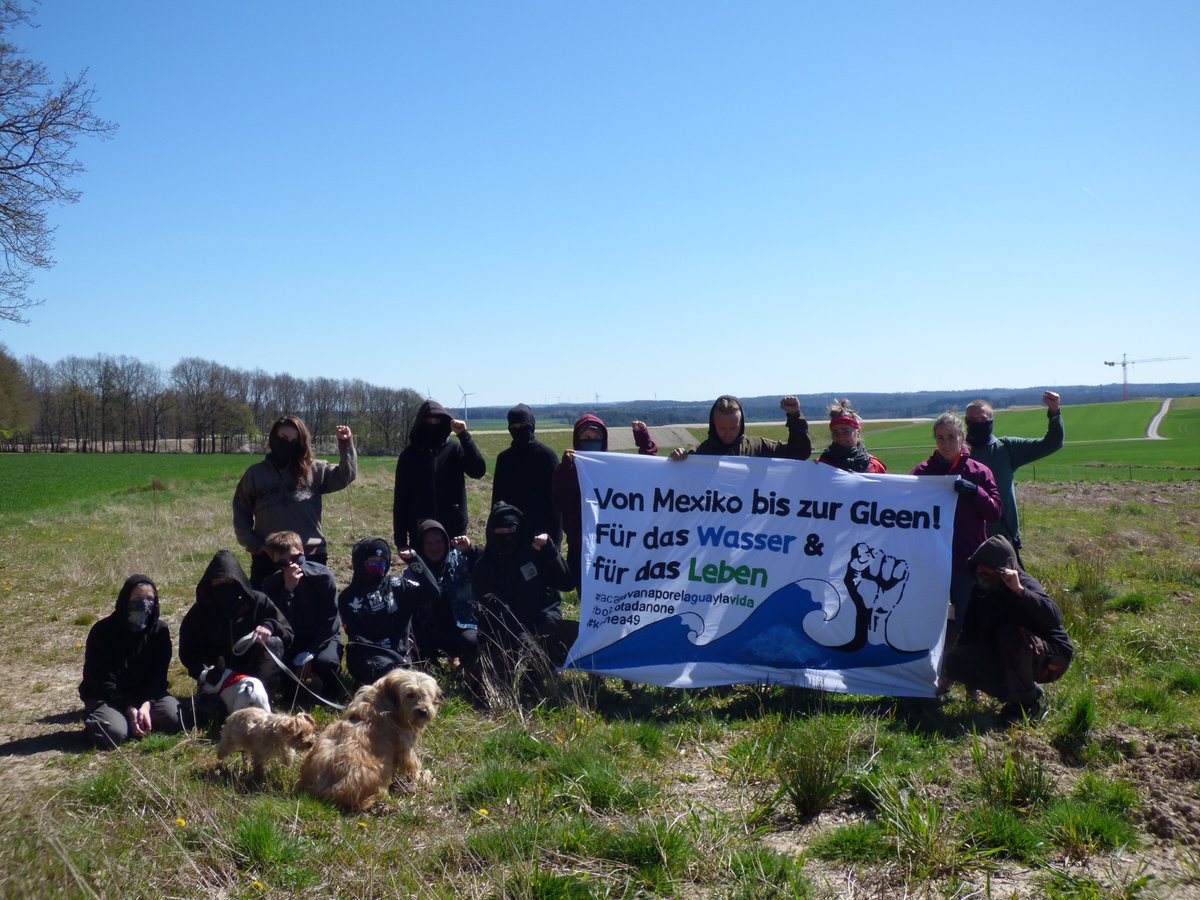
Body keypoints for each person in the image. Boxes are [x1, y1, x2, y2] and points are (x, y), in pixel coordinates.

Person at [941, 535, 1074, 722]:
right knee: (956, 658)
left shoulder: (1024, 585)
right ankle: (1024, 694)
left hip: (1051, 660)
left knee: (1010, 634)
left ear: (1002, 569)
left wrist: (1019, 591)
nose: (980, 571)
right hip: (1009, 656)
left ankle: (1026, 706)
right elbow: (968, 634)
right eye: (978, 567)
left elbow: (1054, 618)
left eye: (986, 568)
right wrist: (949, 675)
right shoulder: (980, 591)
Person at [233, 415, 357, 588]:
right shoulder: (255, 474)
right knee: (267, 604)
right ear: (273, 438)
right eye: (283, 438)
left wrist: (345, 444)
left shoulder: (315, 470)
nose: (287, 444)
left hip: (310, 555)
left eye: (294, 441)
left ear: (301, 443)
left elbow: (346, 476)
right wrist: (255, 545)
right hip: (269, 558)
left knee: (311, 605)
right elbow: (241, 511)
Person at [909, 413, 1002, 634]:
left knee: (966, 620)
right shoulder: (921, 473)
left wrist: (976, 492)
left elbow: (994, 513)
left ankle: (963, 655)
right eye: (940, 438)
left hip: (966, 559)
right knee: (929, 619)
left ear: (962, 437)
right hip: (931, 560)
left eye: (951, 437)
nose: (946, 443)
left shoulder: (979, 472)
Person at [552, 415, 659, 591]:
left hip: (615, 546)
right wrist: (565, 469)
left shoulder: (612, 468)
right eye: (586, 438)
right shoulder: (569, 468)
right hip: (582, 548)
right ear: (577, 439)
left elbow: (646, 470)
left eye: (596, 438)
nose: (591, 442)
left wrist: (643, 438)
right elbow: (561, 501)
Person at [178, 550, 294, 706]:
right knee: (211, 711)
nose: (223, 587)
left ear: (239, 582)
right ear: (209, 584)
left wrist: (269, 626)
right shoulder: (199, 612)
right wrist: (204, 670)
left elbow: (287, 632)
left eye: (228, 581)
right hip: (218, 678)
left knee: (273, 643)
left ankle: (265, 694)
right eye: (218, 582)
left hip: (253, 671)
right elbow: (188, 650)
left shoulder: (258, 601)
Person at [472, 502, 576, 674]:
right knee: (495, 669)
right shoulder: (484, 567)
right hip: (503, 634)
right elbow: (500, 614)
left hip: (541, 625)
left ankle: (541, 673)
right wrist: (528, 644)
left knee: (571, 633)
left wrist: (551, 552)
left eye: (510, 532)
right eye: (500, 533)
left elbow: (566, 583)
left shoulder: (535, 553)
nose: (506, 538)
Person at [78, 575, 182, 748]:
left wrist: (146, 705)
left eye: (150, 599)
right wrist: (130, 709)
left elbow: (158, 675)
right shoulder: (102, 631)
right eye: (137, 598)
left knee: (177, 719)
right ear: (125, 599)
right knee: (114, 733)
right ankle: (104, 719)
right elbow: (102, 681)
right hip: (108, 696)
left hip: (145, 695)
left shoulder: (160, 630)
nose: (144, 604)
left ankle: (139, 719)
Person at [965, 391, 1064, 564]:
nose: (976, 423)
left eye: (981, 419)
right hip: (966, 537)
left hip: (1003, 538)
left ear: (991, 421)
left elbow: (1052, 443)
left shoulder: (1006, 448)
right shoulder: (957, 453)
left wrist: (1054, 412)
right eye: (972, 420)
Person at [260, 530, 345, 701]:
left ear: (302, 551)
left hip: (323, 637)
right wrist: (288, 590)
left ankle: (330, 693)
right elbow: (278, 622)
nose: (292, 565)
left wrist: (311, 652)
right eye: (283, 562)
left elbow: (331, 621)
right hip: (292, 639)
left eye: (295, 558)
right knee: (286, 678)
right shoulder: (271, 584)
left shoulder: (323, 576)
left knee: (327, 662)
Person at [392, 399, 487, 551]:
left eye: (437, 421)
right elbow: (400, 500)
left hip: (454, 533)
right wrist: (401, 542)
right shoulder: (408, 456)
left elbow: (478, 470)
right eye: (429, 421)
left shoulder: (454, 450)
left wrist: (464, 435)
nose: (433, 425)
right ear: (420, 424)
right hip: (421, 533)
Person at [338, 536, 427, 686]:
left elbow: (432, 592)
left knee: (421, 683)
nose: (377, 565)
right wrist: (396, 658)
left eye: (382, 561)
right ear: (360, 562)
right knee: (398, 679)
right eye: (372, 560)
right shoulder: (348, 597)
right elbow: (358, 638)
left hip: (401, 658)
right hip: (369, 657)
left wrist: (414, 560)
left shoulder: (397, 585)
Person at [410, 519, 482, 678]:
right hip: (430, 629)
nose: (434, 548)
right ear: (421, 546)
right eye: (428, 543)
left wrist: (471, 550)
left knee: (472, 641)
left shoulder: (460, 559)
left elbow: (486, 564)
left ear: (446, 542)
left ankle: (471, 680)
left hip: (461, 624)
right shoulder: (414, 570)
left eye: (438, 542)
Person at [491, 404, 561, 546]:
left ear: (531, 425)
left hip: (541, 535)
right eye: (513, 427)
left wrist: (554, 541)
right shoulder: (504, 459)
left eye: (522, 425)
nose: (518, 430)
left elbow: (556, 503)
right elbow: (497, 499)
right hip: (511, 534)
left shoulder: (547, 457)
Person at [669, 395, 811, 460]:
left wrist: (794, 416)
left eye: (733, 428)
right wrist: (675, 460)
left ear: (741, 424)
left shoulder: (759, 448)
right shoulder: (698, 454)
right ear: (713, 425)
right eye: (722, 428)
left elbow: (799, 454)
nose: (727, 434)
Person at [816, 399, 887, 473]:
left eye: (846, 432)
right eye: (835, 432)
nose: (840, 437)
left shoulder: (875, 466)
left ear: (858, 432)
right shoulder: (821, 466)